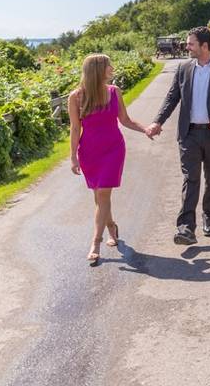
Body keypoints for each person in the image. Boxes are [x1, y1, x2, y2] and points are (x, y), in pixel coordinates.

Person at [147, 26, 210, 245]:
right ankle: (187, 227)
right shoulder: (184, 68)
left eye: (190, 44)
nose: (186, 47)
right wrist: (158, 121)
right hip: (189, 134)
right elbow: (171, 98)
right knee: (191, 178)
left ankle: (209, 215)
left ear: (204, 46)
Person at [69, 54, 152, 265]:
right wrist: (73, 157)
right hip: (89, 152)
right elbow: (75, 128)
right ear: (98, 70)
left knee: (103, 193)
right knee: (99, 197)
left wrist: (145, 129)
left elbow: (124, 119)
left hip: (113, 150)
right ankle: (111, 227)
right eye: (108, 65)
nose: (112, 68)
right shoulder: (76, 97)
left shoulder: (114, 92)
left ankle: (95, 242)